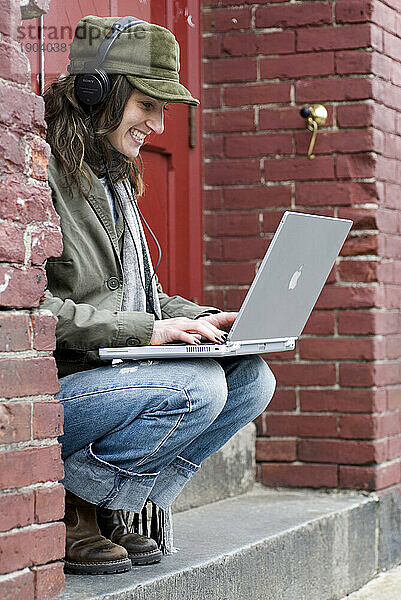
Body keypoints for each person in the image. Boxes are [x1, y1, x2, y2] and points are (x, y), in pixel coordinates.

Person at [42, 15, 276, 575]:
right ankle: (81, 504)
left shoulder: (113, 180)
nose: (158, 123)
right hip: (58, 393)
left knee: (250, 380)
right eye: (148, 104)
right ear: (100, 91)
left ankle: (125, 502)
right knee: (195, 387)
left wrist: (207, 320)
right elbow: (31, 312)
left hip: (115, 377)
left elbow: (138, 299)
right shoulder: (39, 173)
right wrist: (147, 332)